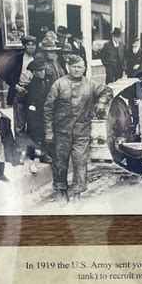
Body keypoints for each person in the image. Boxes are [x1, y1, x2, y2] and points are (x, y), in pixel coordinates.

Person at [44, 55, 113, 200]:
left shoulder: (90, 84)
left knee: (80, 162)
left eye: (80, 67)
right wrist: (49, 131)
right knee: (60, 163)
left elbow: (107, 91)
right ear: (69, 67)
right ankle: (62, 192)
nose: (76, 69)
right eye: (74, 66)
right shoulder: (58, 84)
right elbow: (48, 109)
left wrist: (101, 103)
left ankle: (77, 195)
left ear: (84, 68)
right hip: (61, 131)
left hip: (82, 131)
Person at [0, 35, 37, 149]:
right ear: (24, 46)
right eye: (28, 44)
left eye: (33, 45)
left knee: (31, 121)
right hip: (19, 91)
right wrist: (15, 86)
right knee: (19, 123)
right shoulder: (17, 58)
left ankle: (30, 150)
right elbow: (3, 73)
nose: (30, 47)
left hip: (33, 92)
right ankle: (20, 149)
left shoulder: (37, 58)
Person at [25, 59, 52, 174]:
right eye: (40, 71)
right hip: (35, 115)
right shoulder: (32, 85)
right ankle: (33, 156)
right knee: (35, 135)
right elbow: (33, 102)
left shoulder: (45, 81)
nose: (43, 72)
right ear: (34, 72)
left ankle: (44, 154)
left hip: (44, 113)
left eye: (43, 70)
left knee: (45, 133)